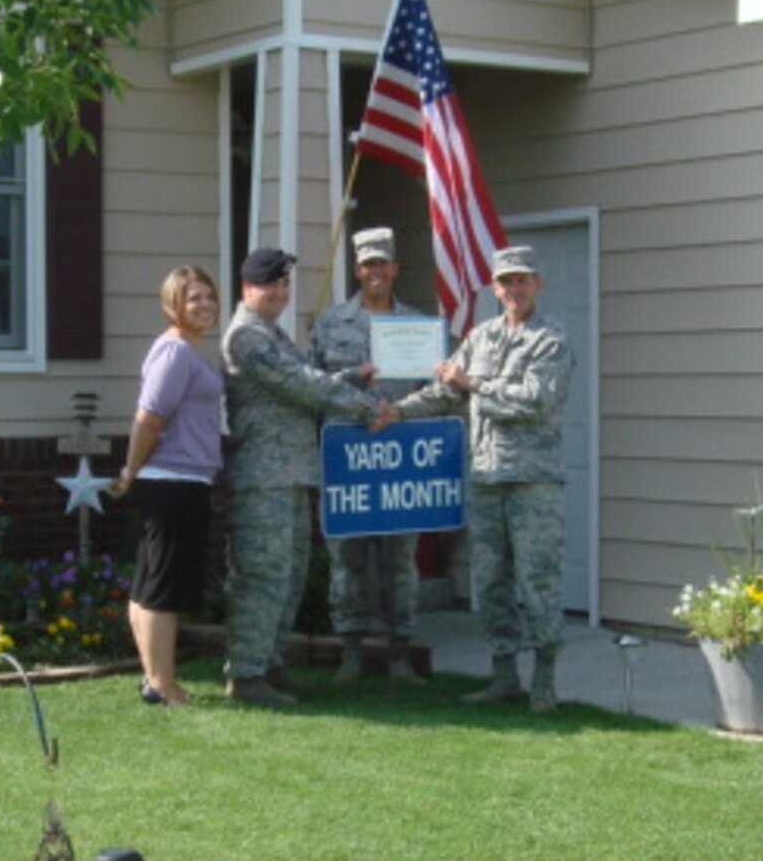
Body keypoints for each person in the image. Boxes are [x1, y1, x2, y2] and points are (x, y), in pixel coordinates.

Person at [396, 244, 575, 712]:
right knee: (493, 582)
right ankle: (503, 676)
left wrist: (473, 383)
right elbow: (445, 391)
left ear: (537, 284)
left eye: (522, 280)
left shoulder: (550, 338)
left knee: (538, 581)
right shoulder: (482, 337)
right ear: (494, 288)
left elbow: (535, 400)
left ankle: (544, 681)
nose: (514, 289)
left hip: (533, 482)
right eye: (506, 281)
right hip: (487, 476)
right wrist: (395, 411)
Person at [222, 246, 393, 707]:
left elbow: (305, 377)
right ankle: (245, 674)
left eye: (283, 285)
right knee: (262, 574)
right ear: (247, 288)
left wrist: (352, 377)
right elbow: (298, 385)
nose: (279, 293)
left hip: (290, 473)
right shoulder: (247, 337)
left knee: (290, 573)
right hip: (263, 476)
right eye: (270, 284)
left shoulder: (270, 332)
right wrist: (366, 405)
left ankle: (270, 662)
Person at [310, 226, 431, 683]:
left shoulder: (418, 327)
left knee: (401, 561)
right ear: (357, 270)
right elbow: (313, 387)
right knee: (349, 560)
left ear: (395, 268)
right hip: (347, 461)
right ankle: (352, 652)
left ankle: (401, 653)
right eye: (367, 264)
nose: (376, 271)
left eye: (383, 262)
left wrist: (397, 413)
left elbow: (434, 393)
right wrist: (355, 385)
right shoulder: (329, 324)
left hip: (401, 461)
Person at [112, 265, 223, 707]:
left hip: (182, 479)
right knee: (163, 589)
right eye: (193, 298)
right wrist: (129, 469)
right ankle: (164, 684)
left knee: (148, 583)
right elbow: (149, 417)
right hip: (174, 481)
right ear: (172, 304)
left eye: (209, 297)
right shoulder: (176, 352)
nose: (204, 305)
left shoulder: (189, 351)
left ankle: (153, 678)